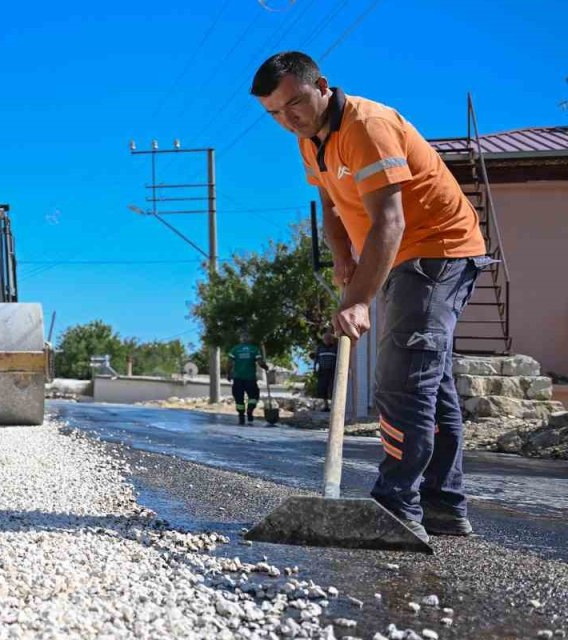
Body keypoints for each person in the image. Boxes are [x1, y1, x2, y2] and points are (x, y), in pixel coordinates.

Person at [252, 51, 486, 540]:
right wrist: (343, 257)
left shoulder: (366, 126)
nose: (287, 119)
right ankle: (443, 503)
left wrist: (358, 300)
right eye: (274, 113)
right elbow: (331, 202)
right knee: (429, 382)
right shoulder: (311, 138)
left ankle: (396, 507)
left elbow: (390, 221)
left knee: (403, 381)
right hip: (399, 256)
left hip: (436, 252)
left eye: (293, 104)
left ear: (321, 86)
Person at [229, 332, 268, 425]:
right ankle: (250, 409)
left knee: (239, 398)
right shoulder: (254, 349)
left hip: (238, 378)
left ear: (240, 339)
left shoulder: (235, 349)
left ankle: (241, 416)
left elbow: (229, 363)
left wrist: (228, 373)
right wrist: (265, 366)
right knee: (254, 396)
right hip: (250, 378)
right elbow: (259, 362)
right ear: (249, 339)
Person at [312, 331, 338, 411]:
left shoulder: (335, 348)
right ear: (323, 340)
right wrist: (314, 368)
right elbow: (316, 358)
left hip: (333, 371)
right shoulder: (320, 348)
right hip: (323, 371)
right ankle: (326, 406)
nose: (327, 340)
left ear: (332, 340)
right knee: (323, 388)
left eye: (329, 339)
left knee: (333, 388)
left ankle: (334, 406)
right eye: (326, 339)